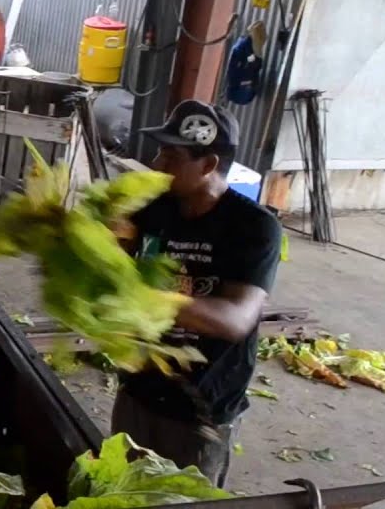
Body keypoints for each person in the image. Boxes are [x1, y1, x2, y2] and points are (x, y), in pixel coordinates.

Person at [113, 100, 282, 487]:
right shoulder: (152, 209)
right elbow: (116, 261)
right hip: (138, 390)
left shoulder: (253, 228)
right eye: (160, 151)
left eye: (171, 156)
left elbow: (236, 319)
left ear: (207, 166)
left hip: (200, 412)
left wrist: (152, 301)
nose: (157, 164)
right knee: (118, 490)